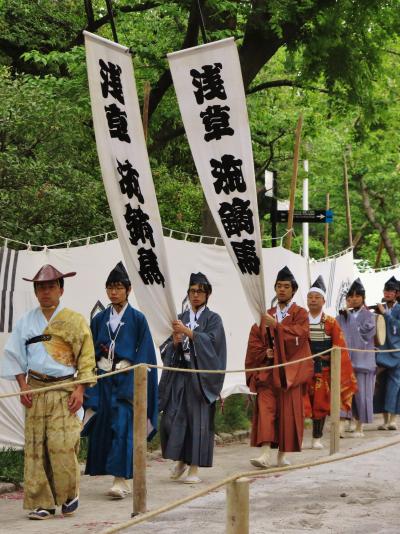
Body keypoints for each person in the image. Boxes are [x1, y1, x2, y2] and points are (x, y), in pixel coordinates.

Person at [1, 264, 96, 520]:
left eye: (51, 286)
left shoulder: (75, 321)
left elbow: (87, 358)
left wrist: (80, 389)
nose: (46, 292)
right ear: (35, 292)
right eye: (41, 287)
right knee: (36, 447)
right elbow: (14, 355)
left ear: (61, 290)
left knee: (63, 444)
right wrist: (22, 385)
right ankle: (41, 502)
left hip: (65, 389)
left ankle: (68, 495)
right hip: (35, 389)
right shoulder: (26, 322)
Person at [83, 262, 158, 498]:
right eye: (110, 287)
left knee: (123, 426)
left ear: (128, 290)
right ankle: (106, 470)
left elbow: (145, 352)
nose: (113, 292)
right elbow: (89, 352)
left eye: (118, 287)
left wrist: (136, 378)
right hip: (103, 378)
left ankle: (120, 479)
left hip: (126, 379)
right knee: (103, 424)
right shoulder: (99, 319)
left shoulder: (137, 319)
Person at [158, 272, 226, 484]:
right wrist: (176, 342)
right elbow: (166, 346)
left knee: (197, 422)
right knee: (172, 418)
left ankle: (194, 468)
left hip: (200, 378)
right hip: (181, 374)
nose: (195, 295)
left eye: (200, 291)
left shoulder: (213, 319)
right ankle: (181, 459)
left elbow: (214, 345)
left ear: (208, 295)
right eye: (192, 291)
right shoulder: (182, 317)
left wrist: (189, 333)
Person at [245, 266, 313, 468]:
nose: (282, 290)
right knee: (266, 410)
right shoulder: (267, 314)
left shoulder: (300, 313)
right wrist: (264, 353)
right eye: (278, 286)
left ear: (293, 290)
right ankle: (265, 454)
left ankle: (282, 455)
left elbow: (301, 334)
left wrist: (277, 327)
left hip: (289, 373)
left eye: (286, 286)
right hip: (268, 373)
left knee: (287, 414)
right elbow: (255, 340)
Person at [305, 276, 357, 449]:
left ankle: (316, 438)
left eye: (316, 297)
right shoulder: (300, 320)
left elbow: (338, 346)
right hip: (302, 368)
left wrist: (334, 364)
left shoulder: (330, 322)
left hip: (323, 369)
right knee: (300, 403)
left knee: (320, 403)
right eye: (310, 297)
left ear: (323, 300)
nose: (313, 300)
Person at [337, 278, 376, 437]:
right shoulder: (342, 316)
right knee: (344, 393)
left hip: (363, 361)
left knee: (361, 395)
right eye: (350, 297)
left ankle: (360, 426)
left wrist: (350, 318)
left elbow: (365, 335)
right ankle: (341, 425)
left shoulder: (369, 316)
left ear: (363, 298)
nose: (353, 299)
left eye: (357, 296)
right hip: (346, 360)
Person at [374, 276, 400, 430]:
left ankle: (393, 420)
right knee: (381, 386)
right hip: (382, 352)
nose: (388, 293)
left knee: (395, 386)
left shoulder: (398, 308)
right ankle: (384, 420)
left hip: (397, 351)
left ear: (397, 293)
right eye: (386, 290)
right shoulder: (380, 307)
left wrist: (387, 314)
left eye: (391, 291)